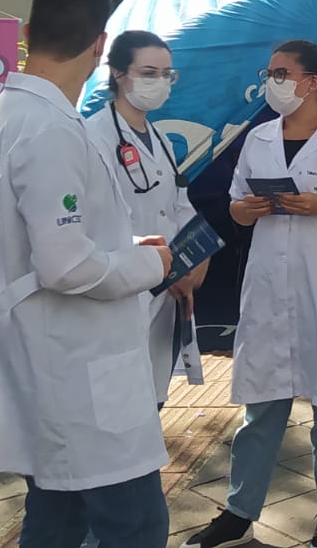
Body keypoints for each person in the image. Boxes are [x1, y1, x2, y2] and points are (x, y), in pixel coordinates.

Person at [0, 0, 175, 548]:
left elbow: (50, 241)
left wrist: (127, 248)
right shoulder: (48, 127)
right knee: (135, 525)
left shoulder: (6, 114)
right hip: (77, 368)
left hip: (50, 358)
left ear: (28, 34)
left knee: (57, 517)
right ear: (102, 46)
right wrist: (151, 265)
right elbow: (66, 266)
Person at [183, 40, 317, 548]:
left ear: (311, 83)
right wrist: (244, 211)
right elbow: (235, 203)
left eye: (281, 73)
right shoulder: (259, 138)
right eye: (269, 73)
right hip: (271, 290)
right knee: (260, 411)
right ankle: (239, 512)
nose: (272, 82)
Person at [82, 30, 206, 407]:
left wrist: (194, 264)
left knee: (152, 396)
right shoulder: (93, 137)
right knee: (118, 403)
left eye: (167, 74)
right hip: (122, 286)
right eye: (149, 73)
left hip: (166, 286)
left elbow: (178, 204)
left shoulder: (160, 139)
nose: (160, 83)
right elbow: (93, 222)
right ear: (118, 73)